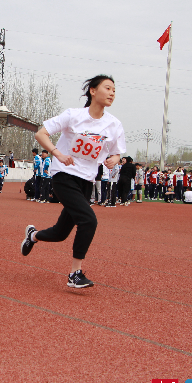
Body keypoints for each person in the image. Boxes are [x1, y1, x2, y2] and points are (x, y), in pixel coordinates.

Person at [20, 74, 125, 288]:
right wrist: (57, 153)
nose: (112, 92)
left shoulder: (113, 124)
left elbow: (117, 153)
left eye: (114, 89)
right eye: (108, 88)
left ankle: (33, 235)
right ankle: (74, 273)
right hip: (64, 175)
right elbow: (41, 134)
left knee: (60, 233)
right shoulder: (74, 116)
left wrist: (114, 159)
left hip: (87, 180)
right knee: (88, 220)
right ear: (93, 91)